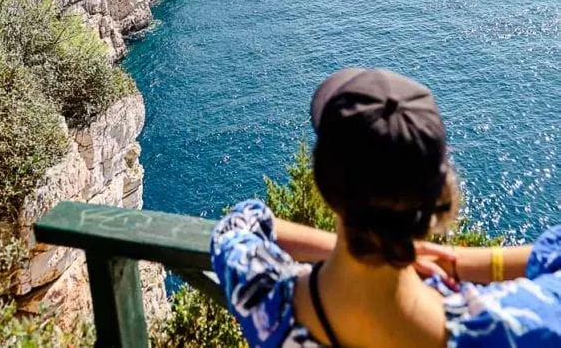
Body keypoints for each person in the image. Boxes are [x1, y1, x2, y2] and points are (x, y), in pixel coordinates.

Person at [211, 68, 561, 347]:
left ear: (322, 185)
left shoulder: (267, 303)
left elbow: (241, 224)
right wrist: (456, 263)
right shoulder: (518, 326)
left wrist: (381, 248)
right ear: (440, 195)